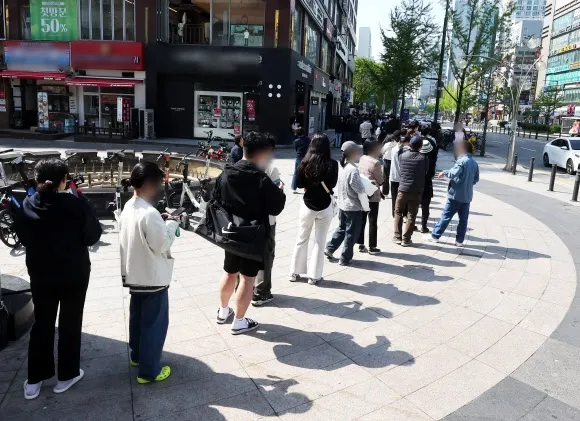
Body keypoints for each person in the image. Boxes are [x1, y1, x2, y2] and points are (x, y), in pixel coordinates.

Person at [15, 158, 102, 400]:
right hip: (74, 273)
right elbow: (92, 236)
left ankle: (34, 380)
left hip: (41, 274)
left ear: (37, 180)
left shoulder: (28, 205)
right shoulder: (76, 204)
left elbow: (23, 237)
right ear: (64, 180)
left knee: (42, 323)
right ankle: (66, 375)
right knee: (70, 322)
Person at [215, 132, 286, 334]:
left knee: (229, 272)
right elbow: (276, 207)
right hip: (252, 235)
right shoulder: (261, 178)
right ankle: (239, 321)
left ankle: (223, 312)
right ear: (261, 153)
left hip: (230, 232)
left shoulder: (226, 172)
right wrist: (280, 190)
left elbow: (216, 199)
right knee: (247, 279)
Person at [119, 162, 179, 384]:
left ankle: (137, 357)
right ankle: (149, 372)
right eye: (158, 183)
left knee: (137, 321)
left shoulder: (129, 206)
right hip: (153, 279)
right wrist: (172, 224)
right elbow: (162, 244)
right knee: (154, 326)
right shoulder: (150, 213)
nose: (159, 188)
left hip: (135, 275)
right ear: (149, 184)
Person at [289, 133, 339, 285]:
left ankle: (294, 272)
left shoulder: (304, 162)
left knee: (301, 238)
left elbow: (298, 184)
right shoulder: (332, 164)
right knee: (320, 241)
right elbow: (333, 184)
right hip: (325, 205)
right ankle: (314, 276)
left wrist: (309, 184)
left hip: (307, 204)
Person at [252, 134, 283, 306]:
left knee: (245, 254)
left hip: (244, 220)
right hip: (266, 221)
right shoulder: (271, 169)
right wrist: (280, 190)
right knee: (265, 256)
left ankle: (244, 289)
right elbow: (275, 199)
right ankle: (261, 292)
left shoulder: (241, 166)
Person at [430, 141, 479, 246]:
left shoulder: (462, 161)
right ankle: (459, 241)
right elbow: (476, 179)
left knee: (446, 216)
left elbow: (453, 173)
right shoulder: (474, 163)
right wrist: (467, 183)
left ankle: (435, 235)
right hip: (467, 196)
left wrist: (444, 172)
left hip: (456, 194)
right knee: (463, 220)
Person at [325, 141, 366, 266]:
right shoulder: (353, 169)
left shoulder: (343, 166)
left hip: (342, 204)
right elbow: (359, 189)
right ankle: (345, 258)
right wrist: (366, 187)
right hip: (352, 206)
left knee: (342, 228)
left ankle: (330, 248)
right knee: (351, 233)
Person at [393, 135, 426, 247]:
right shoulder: (423, 158)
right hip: (416, 191)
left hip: (402, 189)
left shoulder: (402, 155)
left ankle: (397, 236)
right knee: (411, 214)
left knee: (398, 212)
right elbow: (426, 172)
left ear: (410, 145)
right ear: (420, 146)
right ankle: (406, 239)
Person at [357, 140, 384, 254]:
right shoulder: (376, 163)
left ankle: (360, 244)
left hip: (362, 192)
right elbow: (380, 181)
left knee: (362, 219)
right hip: (372, 194)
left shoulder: (362, 158)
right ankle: (372, 246)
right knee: (372, 220)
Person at [389, 131, 410, 217]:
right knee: (404, 197)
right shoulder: (407, 151)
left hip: (394, 176)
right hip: (403, 178)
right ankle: (403, 214)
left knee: (394, 196)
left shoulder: (393, 149)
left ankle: (394, 213)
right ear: (406, 142)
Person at [291, 127, 311, 192]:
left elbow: (296, 150)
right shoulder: (308, 139)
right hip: (307, 157)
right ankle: (307, 187)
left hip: (299, 157)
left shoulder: (296, 141)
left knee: (296, 173)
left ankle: (293, 188)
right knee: (307, 173)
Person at [381, 130, 399, 197]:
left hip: (386, 160)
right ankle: (394, 192)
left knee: (386, 176)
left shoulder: (387, 144)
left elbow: (382, 151)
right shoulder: (397, 144)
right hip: (394, 161)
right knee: (393, 176)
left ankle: (385, 192)